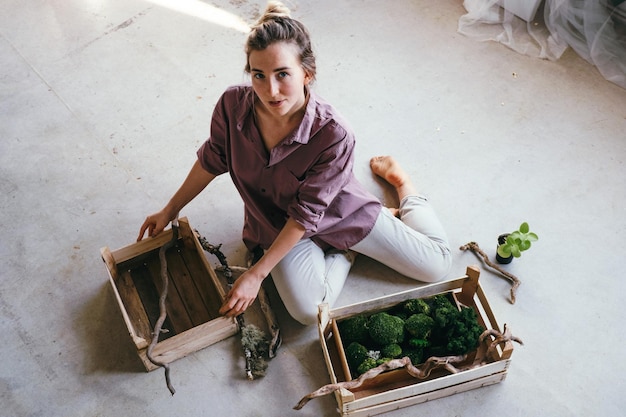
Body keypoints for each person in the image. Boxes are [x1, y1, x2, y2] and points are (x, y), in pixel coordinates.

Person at [138, 1, 451, 325]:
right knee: (308, 314)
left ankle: (402, 185)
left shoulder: (335, 134)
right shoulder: (232, 105)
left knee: (435, 265)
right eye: (258, 75)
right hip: (276, 224)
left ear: (307, 73)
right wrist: (170, 209)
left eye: (282, 74)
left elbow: (307, 214)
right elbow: (211, 159)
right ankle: (345, 253)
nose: (270, 90)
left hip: (339, 213)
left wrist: (257, 275)